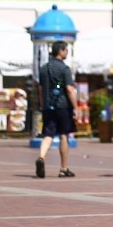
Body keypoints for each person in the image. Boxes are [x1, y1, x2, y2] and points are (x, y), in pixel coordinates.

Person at [36, 41, 77, 179]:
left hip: (48, 106)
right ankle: (63, 168)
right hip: (63, 106)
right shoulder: (64, 69)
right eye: (66, 50)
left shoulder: (43, 69)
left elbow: (40, 90)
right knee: (64, 135)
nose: (67, 53)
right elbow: (70, 89)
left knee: (48, 135)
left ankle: (41, 157)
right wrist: (75, 107)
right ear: (60, 51)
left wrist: (43, 105)